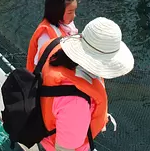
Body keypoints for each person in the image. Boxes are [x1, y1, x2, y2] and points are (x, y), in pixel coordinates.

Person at [39, 17, 134, 151]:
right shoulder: (76, 103)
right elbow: (63, 149)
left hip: (42, 127)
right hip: (53, 145)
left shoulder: (53, 45)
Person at [26, 0, 79, 71]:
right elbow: (39, 66)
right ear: (57, 12)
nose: (74, 15)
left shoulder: (66, 23)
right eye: (70, 12)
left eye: (74, 11)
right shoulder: (46, 35)